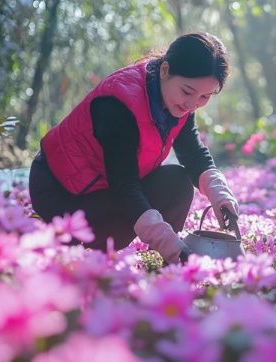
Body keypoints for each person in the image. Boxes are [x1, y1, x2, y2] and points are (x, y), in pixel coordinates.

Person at [28, 32, 239, 265]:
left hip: (105, 185)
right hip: (61, 191)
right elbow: (123, 184)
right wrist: (165, 240)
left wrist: (220, 195)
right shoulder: (118, 103)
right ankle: (71, 249)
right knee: (120, 226)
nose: (192, 104)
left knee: (178, 183)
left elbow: (193, 153)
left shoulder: (178, 101)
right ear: (165, 70)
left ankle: (172, 267)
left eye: (205, 97)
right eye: (188, 92)